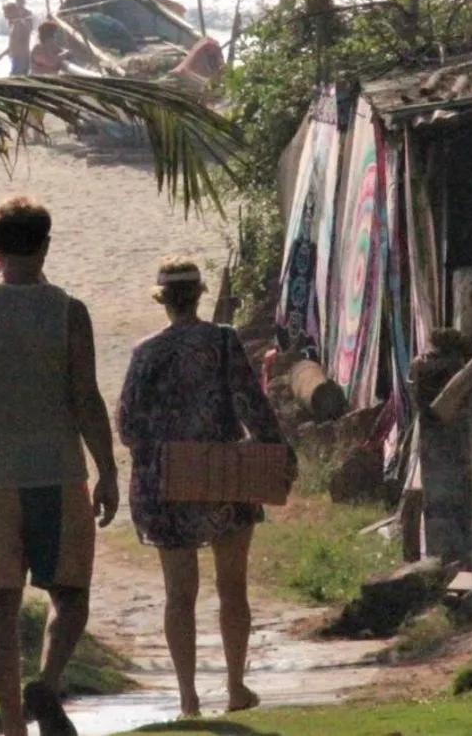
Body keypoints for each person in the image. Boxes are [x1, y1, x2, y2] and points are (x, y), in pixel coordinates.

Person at [0, 196, 120, 736]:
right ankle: (46, 681)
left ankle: (14, 722)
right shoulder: (67, 311)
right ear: (45, 245)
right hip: (57, 473)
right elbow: (86, 397)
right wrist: (107, 469)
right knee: (71, 595)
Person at [117, 257, 294, 719]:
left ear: (163, 299)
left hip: (168, 481)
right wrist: (277, 451)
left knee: (180, 594)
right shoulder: (223, 340)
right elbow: (251, 404)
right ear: (199, 294)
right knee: (232, 588)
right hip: (224, 476)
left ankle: (188, 698)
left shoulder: (146, 353)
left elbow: (128, 425)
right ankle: (236, 686)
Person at [7, 0, 34, 76]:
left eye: (6, 12)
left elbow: (23, 42)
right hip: (17, 57)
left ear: (12, 12)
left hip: (20, 58)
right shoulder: (14, 23)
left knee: (17, 79)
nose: (4, 15)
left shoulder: (20, 24)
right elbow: (14, 42)